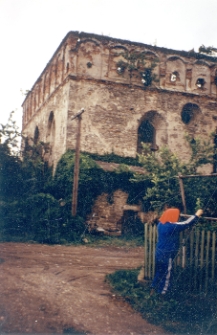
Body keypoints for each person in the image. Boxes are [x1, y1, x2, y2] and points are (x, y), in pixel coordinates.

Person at [150, 207, 203, 295]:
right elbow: (186, 223)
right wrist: (197, 214)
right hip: (167, 254)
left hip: (159, 252)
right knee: (167, 274)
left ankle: (153, 288)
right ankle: (163, 294)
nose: (178, 218)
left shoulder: (161, 224)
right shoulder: (172, 226)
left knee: (159, 271)